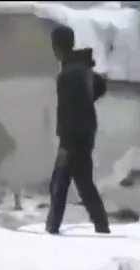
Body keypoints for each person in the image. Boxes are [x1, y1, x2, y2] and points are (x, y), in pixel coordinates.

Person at [46, 25, 111, 236]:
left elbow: (68, 110)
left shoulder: (68, 74)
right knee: (69, 183)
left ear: (58, 47)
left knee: (70, 184)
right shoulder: (81, 69)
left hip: (73, 137)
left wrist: (66, 139)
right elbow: (100, 85)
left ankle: (98, 226)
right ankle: (55, 227)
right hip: (83, 133)